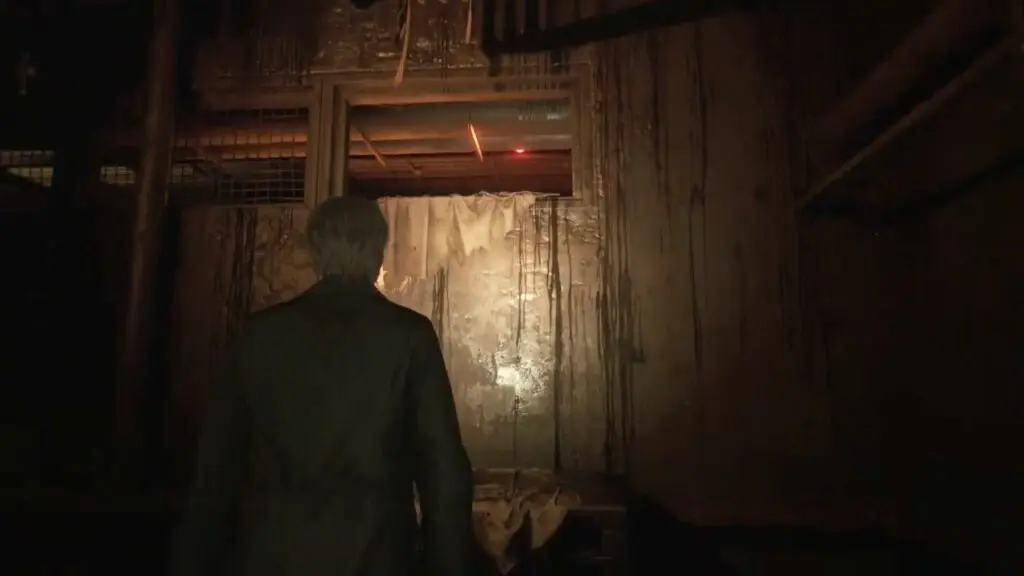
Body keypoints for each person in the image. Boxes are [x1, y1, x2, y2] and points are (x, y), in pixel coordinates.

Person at [170, 196, 475, 576]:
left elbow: (216, 463)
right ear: (378, 251)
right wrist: (447, 563)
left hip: (271, 552)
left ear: (314, 253)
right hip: (376, 553)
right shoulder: (408, 336)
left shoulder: (261, 334)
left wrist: (191, 558)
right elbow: (442, 467)